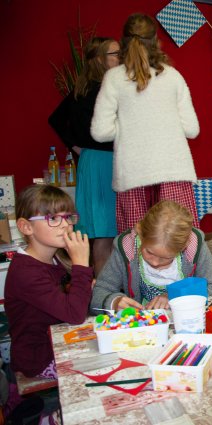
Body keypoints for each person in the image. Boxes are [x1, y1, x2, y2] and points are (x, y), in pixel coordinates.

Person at [91, 13, 200, 233]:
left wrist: (129, 128)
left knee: (137, 247)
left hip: (133, 175)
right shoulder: (173, 76)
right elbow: (192, 129)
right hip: (174, 172)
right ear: (155, 41)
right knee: (178, 242)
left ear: (124, 42)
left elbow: (100, 132)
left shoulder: (113, 78)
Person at [48, 37, 120, 277]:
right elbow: (56, 120)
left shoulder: (83, 87)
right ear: (100, 59)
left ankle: (103, 290)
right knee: (107, 234)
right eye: (115, 53)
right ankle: (104, 294)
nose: (120, 57)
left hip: (92, 162)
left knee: (103, 233)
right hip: (104, 163)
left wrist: (76, 146)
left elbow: (55, 120)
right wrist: (75, 145)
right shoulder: (103, 88)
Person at [6, 185, 92, 378]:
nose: (65, 225)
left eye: (68, 217)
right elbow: (75, 314)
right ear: (26, 227)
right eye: (53, 218)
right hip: (38, 358)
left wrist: (83, 284)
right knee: (99, 365)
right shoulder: (26, 272)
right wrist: (81, 266)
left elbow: (71, 304)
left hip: (59, 340)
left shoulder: (55, 259)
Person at [91, 200, 212, 313]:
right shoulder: (127, 248)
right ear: (140, 233)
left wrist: (175, 296)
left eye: (165, 258)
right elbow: (100, 291)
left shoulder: (194, 247)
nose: (155, 263)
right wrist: (114, 302)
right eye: (149, 252)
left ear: (184, 247)